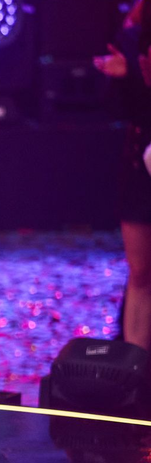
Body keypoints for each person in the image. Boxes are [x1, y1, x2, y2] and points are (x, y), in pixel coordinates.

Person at [95, 0, 151, 350]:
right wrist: (126, 75)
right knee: (141, 271)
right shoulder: (133, 37)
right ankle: (135, 369)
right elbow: (118, 107)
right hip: (141, 161)